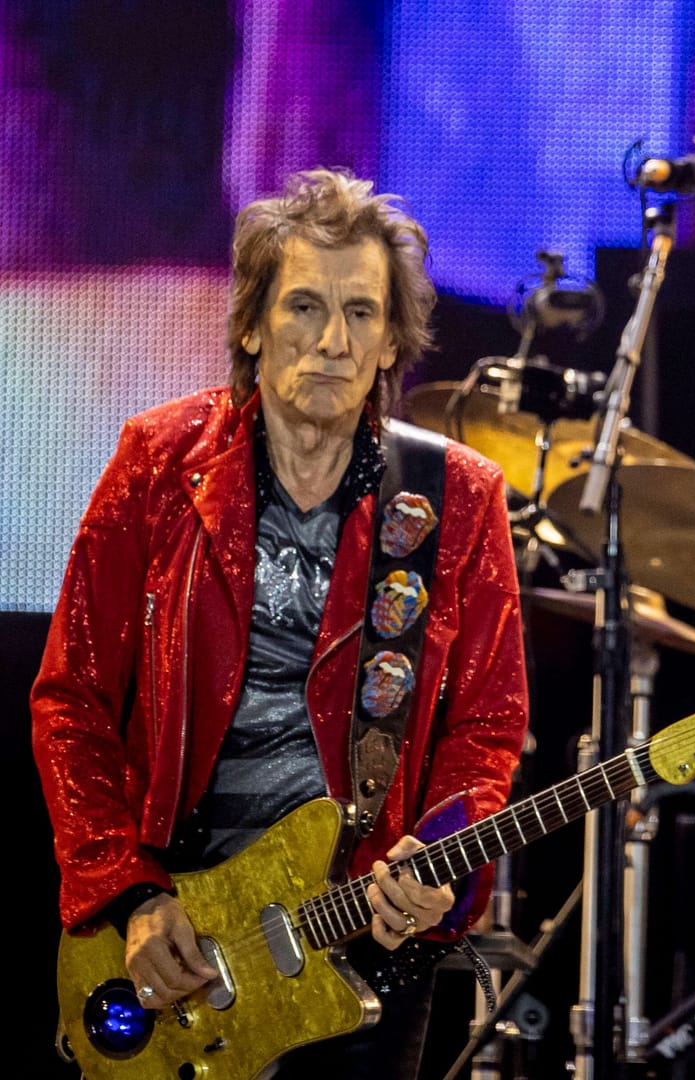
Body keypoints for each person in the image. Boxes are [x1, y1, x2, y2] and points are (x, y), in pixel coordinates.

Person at [31, 168, 529, 1078]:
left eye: (362, 314)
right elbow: (71, 700)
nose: (332, 341)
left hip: (358, 931)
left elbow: (489, 725)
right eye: (304, 306)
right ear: (253, 327)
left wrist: (440, 857)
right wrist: (127, 894)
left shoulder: (458, 498)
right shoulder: (158, 461)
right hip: (174, 922)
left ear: (391, 345)